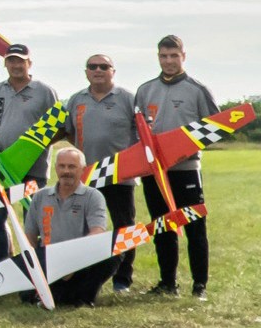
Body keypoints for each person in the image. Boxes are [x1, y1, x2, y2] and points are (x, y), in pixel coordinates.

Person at [135, 35, 215, 299]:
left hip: (187, 170)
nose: (168, 61)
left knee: (195, 227)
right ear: (158, 57)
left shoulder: (197, 90)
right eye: (163, 56)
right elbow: (139, 130)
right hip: (156, 172)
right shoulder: (145, 90)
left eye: (173, 56)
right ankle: (167, 283)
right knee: (162, 226)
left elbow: (215, 129)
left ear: (183, 56)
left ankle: (199, 285)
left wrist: (188, 147)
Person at [61, 53, 138, 292]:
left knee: (123, 226)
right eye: (92, 66)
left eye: (104, 66)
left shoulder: (128, 98)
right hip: (87, 176)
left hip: (120, 174)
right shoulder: (76, 100)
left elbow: (142, 134)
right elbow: (68, 132)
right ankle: (87, 276)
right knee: (84, 227)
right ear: (86, 72)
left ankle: (122, 279)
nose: (98, 70)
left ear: (113, 71)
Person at [0, 43, 59, 261]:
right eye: (12, 60)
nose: (16, 65)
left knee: (32, 221)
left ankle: (35, 267)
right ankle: (2, 265)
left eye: (20, 61)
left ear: (29, 63)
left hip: (33, 168)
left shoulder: (44, 92)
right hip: (3, 168)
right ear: (5, 63)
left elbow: (58, 128)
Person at [23, 146, 114, 307]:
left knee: (115, 251)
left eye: (72, 167)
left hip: (81, 262)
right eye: (62, 166)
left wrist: (72, 260)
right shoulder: (40, 196)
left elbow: (97, 232)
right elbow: (29, 236)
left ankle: (83, 298)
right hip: (49, 260)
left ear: (82, 170)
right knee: (24, 293)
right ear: (55, 168)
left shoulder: (93, 196)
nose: (66, 171)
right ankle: (62, 295)